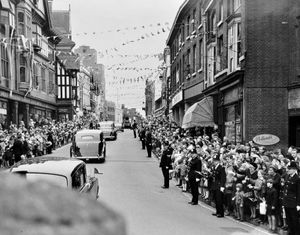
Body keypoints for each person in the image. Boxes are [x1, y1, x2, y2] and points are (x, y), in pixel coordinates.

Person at [283, 161, 300, 235]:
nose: (288, 170)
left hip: (293, 202)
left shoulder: (297, 178)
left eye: (289, 169)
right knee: (288, 219)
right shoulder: (287, 176)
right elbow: (285, 189)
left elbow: (299, 192)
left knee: (294, 220)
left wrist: (298, 204)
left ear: (294, 169)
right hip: (287, 201)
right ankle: (290, 232)